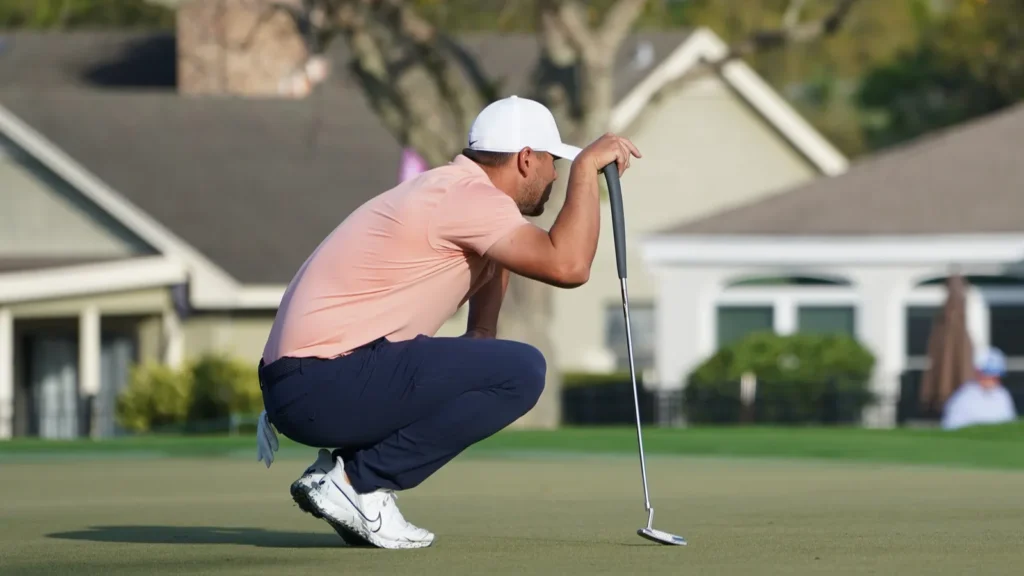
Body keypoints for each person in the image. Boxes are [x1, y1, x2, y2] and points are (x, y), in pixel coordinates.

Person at [253, 95, 641, 549]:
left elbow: (487, 312)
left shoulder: (462, 197)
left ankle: (350, 480)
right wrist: (586, 170)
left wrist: (480, 339)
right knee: (523, 371)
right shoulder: (467, 197)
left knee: (497, 366)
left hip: (311, 383)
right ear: (525, 159)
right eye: (552, 162)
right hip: (321, 382)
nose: (555, 174)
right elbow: (569, 266)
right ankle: (358, 481)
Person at [941, 346, 1018, 430]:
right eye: (987, 374)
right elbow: (951, 428)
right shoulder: (963, 397)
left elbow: (1010, 425)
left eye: (995, 375)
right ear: (978, 373)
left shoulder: (1003, 395)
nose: (991, 379)